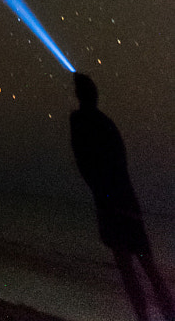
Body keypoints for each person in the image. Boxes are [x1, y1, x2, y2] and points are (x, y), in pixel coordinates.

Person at [70, 72, 175, 320]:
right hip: (127, 201)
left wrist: (102, 193)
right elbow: (119, 161)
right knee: (148, 266)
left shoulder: (79, 119)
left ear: (78, 95)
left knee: (128, 269)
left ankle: (145, 318)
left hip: (110, 204)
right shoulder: (108, 123)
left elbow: (83, 162)